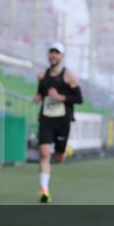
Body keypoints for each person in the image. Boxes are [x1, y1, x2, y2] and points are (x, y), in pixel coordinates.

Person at [32, 42, 83, 203]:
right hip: (46, 118)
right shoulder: (42, 75)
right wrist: (38, 97)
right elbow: (41, 92)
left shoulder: (69, 76)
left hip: (63, 120)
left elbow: (79, 99)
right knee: (44, 153)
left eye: (57, 53)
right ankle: (44, 191)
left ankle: (64, 149)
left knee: (58, 158)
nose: (53, 55)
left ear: (62, 56)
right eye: (51, 52)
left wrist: (60, 97)